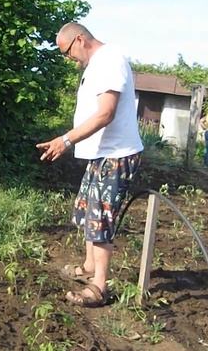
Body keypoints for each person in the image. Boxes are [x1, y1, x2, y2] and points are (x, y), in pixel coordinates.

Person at [36, 23, 143, 307]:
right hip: (100, 154)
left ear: (80, 39)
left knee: (101, 219)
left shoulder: (110, 60)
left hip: (116, 155)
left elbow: (106, 113)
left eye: (67, 52)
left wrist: (65, 141)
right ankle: (89, 266)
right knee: (87, 213)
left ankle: (99, 287)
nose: (68, 58)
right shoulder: (97, 64)